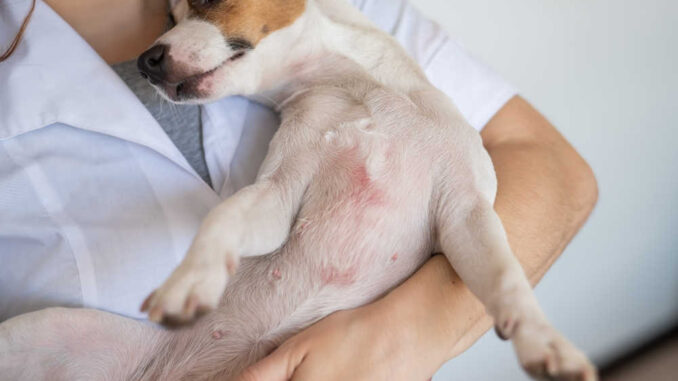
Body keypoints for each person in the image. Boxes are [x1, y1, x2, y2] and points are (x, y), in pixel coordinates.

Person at [0, 0, 598, 379]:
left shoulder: (347, 32)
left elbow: (550, 171)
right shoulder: (295, 102)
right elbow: (272, 203)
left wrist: (409, 335)